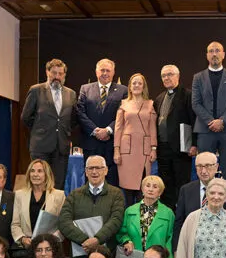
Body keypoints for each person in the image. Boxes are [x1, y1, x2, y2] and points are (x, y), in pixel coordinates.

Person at [58, 155, 125, 258]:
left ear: (105, 171)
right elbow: (63, 221)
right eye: (90, 168)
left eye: (98, 168)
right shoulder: (74, 194)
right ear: (86, 172)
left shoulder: (116, 194)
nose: (94, 172)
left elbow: (116, 220)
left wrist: (97, 240)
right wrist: (84, 240)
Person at [21, 58, 77, 188]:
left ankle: (55, 209)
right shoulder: (36, 90)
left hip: (61, 147)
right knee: (38, 184)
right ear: (47, 72)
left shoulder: (71, 94)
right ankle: (39, 209)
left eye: (60, 74)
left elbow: (73, 119)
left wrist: (66, 133)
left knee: (58, 185)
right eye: (54, 73)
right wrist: (40, 130)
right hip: (40, 147)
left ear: (64, 75)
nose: (57, 77)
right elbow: (26, 117)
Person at [191, 41, 226, 185]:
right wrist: (210, 122)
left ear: (223, 54)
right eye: (211, 51)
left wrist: (222, 121)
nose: (214, 54)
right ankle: (205, 206)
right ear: (207, 55)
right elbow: (196, 103)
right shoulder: (198, 78)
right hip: (205, 131)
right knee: (205, 174)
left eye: (217, 50)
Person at [75, 58, 128, 186]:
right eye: (102, 70)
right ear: (96, 72)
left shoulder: (123, 90)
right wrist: (95, 131)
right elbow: (80, 113)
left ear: (113, 72)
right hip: (91, 143)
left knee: (112, 182)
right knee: (91, 181)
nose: (105, 73)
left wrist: (108, 130)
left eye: (108, 70)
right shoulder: (85, 89)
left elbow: (124, 114)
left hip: (112, 144)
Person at [152, 64, 197, 209]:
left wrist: (194, 144)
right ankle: (169, 216)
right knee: (166, 185)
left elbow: (194, 120)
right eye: (164, 75)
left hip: (181, 148)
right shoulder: (159, 98)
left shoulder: (188, 95)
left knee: (182, 185)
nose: (166, 78)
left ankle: (183, 216)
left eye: (170, 74)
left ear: (178, 76)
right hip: (163, 149)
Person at [173, 151, 226, 245]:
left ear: (216, 167)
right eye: (199, 166)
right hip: (192, 246)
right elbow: (179, 223)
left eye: (208, 166)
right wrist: (176, 250)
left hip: (222, 246)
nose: (203, 171)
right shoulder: (186, 190)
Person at [117, 175, 175, 258]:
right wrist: (126, 241)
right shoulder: (129, 211)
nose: (151, 189)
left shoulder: (168, 213)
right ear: (142, 189)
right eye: (148, 186)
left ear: (160, 192)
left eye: (155, 186)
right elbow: (122, 233)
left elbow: (171, 238)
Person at [114, 72, 157, 204]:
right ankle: (128, 219)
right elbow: (118, 128)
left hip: (144, 151)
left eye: (140, 83)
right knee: (126, 190)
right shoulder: (123, 104)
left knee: (142, 187)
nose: (137, 85)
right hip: (126, 152)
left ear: (144, 86)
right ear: (130, 87)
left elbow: (152, 128)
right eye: (134, 83)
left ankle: (140, 220)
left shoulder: (150, 104)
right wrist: (116, 149)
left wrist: (153, 148)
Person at [10, 159, 66, 249]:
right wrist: (22, 239)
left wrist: (51, 240)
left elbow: (63, 224)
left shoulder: (59, 195)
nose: (35, 174)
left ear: (47, 174)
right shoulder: (19, 195)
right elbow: (15, 224)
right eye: (32, 171)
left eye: (40, 171)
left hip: (50, 246)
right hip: (26, 247)